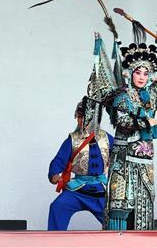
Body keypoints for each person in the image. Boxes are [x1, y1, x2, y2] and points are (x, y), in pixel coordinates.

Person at [104, 40, 157, 230]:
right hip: (123, 160)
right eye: (138, 72)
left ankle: (142, 240)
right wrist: (145, 122)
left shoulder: (151, 94)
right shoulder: (122, 96)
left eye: (146, 73)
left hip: (145, 161)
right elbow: (121, 120)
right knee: (120, 206)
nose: (142, 77)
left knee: (144, 207)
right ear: (130, 73)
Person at [48, 97, 114, 230]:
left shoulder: (107, 138)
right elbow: (58, 160)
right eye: (79, 117)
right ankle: (55, 240)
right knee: (57, 207)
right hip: (77, 190)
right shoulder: (72, 140)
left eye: (85, 117)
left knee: (115, 216)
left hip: (101, 190)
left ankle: (119, 239)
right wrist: (54, 175)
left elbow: (119, 157)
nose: (82, 120)